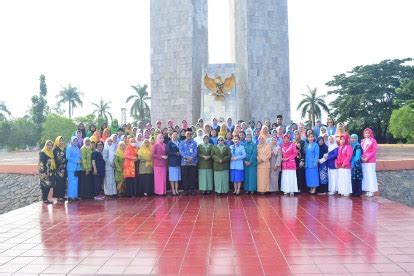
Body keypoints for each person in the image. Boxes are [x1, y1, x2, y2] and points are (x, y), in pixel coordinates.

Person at [179, 129, 198, 195]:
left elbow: (195, 151)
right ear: (185, 134)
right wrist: (187, 157)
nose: (189, 135)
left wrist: (191, 157)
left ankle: (192, 190)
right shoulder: (181, 143)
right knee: (185, 177)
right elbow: (181, 151)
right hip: (184, 163)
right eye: (188, 134)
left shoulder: (194, 143)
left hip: (193, 163)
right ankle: (185, 190)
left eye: (190, 134)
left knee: (192, 177)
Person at [361, 128, 378, 197]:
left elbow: (374, 151)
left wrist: (367, 158)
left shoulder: (373, 141)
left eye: (368, 133)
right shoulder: (362, 141)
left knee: (371, 175)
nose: (366, 134)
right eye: (365, 133)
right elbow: (361, 150)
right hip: (363, 161)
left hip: (370, 161)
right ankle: (367, 189)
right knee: (365, 175)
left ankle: (372, 190)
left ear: (370, 133)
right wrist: (362, 158)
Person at [66, 136, 81, 203]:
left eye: (76, 140)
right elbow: (68, 157)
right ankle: (70, 197)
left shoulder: (77, 147)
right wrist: (76, 161)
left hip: (77, 167)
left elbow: (79, 156)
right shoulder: (69, 147)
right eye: (74, 140)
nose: (75, 141)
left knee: (75, 182)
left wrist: (79, 161)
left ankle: (75, 196)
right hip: (71, 168)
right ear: (71, 140)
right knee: (71, 182)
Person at [52, 136, 66, 202]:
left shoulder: (65, 149)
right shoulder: (55, 150)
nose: (61, 142)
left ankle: (62, 196)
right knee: (58, 183)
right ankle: (58, 197)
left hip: (64, 168)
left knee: (63, 182)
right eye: (60, 141)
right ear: (57, 141)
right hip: (58, 169)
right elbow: (54, 159)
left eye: (62, 140)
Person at [167, 131, 181, 195]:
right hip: (172, 163)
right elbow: (168, 152)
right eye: (174, 134)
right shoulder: (169, 143)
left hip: (178, 162)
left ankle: (176, 190)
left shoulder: (179, 142)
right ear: (171, 135)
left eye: (176, 134)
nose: (175, 135)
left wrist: (180, 153)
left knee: (177, 177)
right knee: (172, 177)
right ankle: (173, 190)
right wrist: (175, 153)